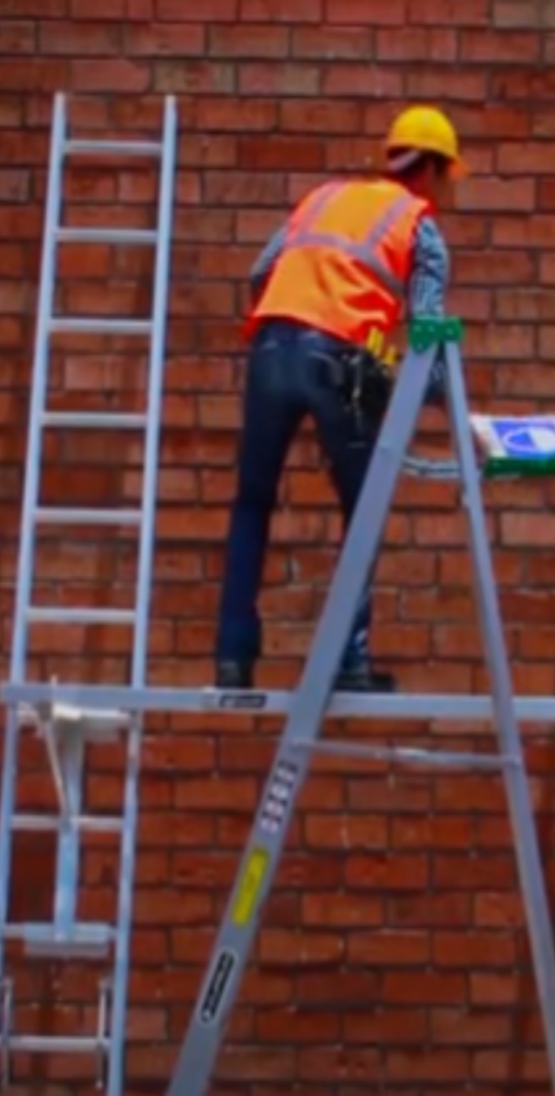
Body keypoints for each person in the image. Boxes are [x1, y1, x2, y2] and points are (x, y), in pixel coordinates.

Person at [211, 105, 464, 695]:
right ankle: (348, 663)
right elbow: (428, 336)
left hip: (272, 347)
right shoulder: (420, 227)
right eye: (449, 174)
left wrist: (302, 325)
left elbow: (261, 272)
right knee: (363, 507)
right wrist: (453, 412)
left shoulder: (324, 199)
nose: (450, 188)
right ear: (429, 169)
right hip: (339, 364)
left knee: (252, 503)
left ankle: (232, 656)